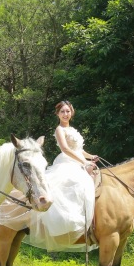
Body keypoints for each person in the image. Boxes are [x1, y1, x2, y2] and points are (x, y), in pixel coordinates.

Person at [26, 100, 99, 251]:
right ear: (58, 114)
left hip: (78, 160)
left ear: (72, 112)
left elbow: (79, 149)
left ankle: (93, 221)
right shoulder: (59, 129)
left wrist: (90, 156)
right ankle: (69, 222)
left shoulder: (72, 129)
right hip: (67, 162)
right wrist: (84, 162)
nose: (66, 114)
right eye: (62, 112)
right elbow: (65, 149)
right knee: (79, 183)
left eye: (68, 111)